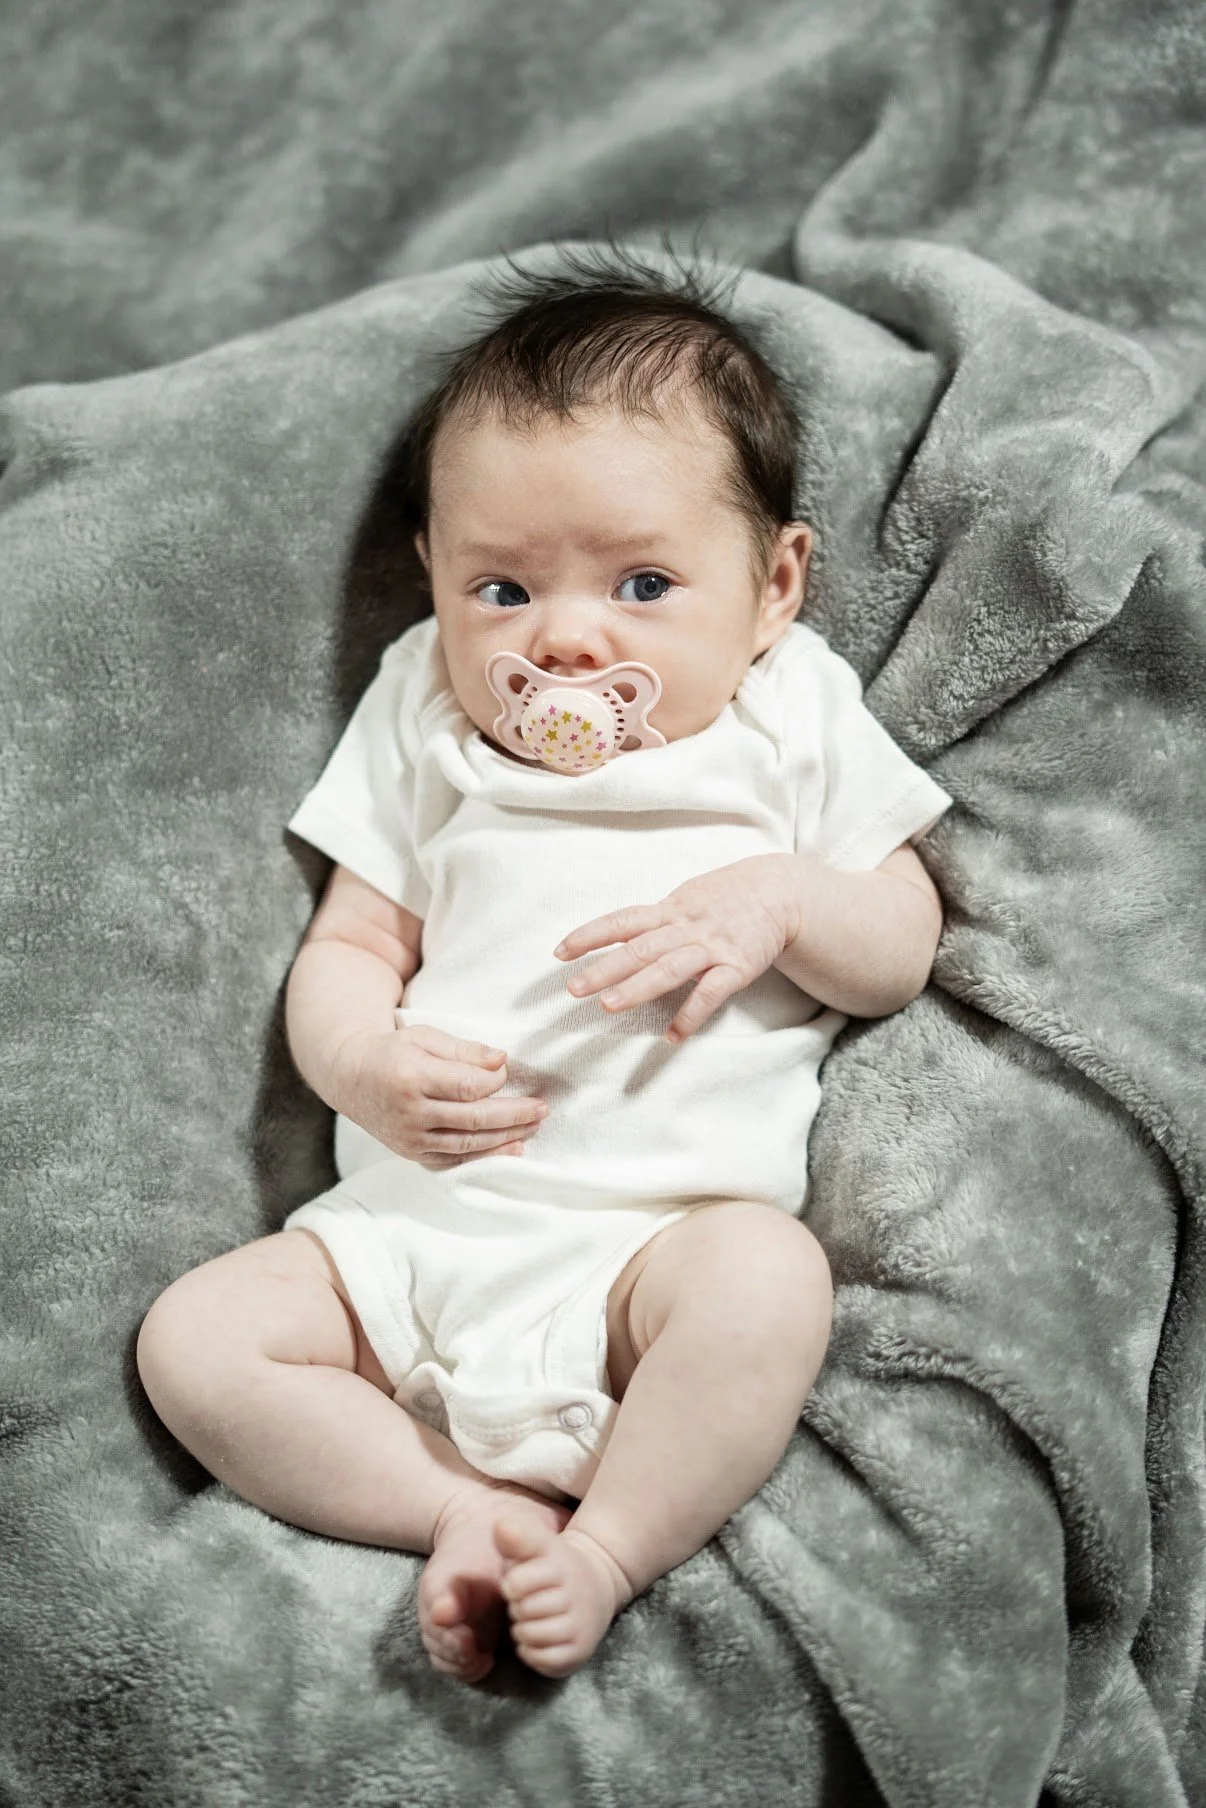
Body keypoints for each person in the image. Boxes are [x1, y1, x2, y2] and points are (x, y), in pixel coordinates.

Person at [136, 240, 953, 1686]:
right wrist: (363, 1067)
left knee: (769, 1285)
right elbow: (351, 943)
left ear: (773, 586)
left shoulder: (790, 713)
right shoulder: (423, 709)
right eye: (500, 591)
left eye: (642, 583)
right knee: (194, 1343)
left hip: (654, 1251)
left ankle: (607, 1546)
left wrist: (778, 901)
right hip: (414, 1239)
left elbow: (893, 948)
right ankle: (461, 1507)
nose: (566, 643)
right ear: (433, 581)